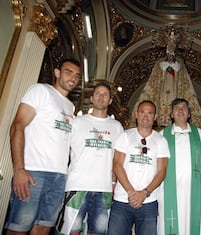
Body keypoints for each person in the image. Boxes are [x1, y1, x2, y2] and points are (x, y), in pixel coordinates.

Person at [5, 58, 81, 235]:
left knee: (44, 228)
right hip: (34, 172)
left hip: (60, 176)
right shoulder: (40, 90)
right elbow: (17, 126)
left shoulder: (70, 106)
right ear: (57, 72)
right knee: (18, 228)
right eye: (68, 72)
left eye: (77, 76)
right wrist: (19, 170)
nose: (73, 78)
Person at [56, 82, 124, 235]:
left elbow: (117, 159)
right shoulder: (77, 122)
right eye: (98, 94)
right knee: (72, 230)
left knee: (97, 231)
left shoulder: (117, 127)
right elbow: (65, 149)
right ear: (92, 98)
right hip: (77, 185)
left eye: (105, 94)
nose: (101, 97)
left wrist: (114, 183)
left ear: (110, 100)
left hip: (104, 187)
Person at [107, 100, 169, 235]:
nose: (145, 116)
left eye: (149, 113)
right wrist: (131, 192)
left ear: (155, 117)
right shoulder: (125, 136)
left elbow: (161, 171)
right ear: (136, 114)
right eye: (142, 112)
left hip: (149, 201)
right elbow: (117, 165)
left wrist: (144, 193)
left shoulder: (161, 141)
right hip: (123, 198)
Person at [158, 98, 201, 235]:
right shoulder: (162, 135)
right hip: (168, 191)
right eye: (176, 108)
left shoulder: (199, 134)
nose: (180, 110)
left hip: (195, 191)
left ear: (189, 114)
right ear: (171, 114)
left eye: (184, 108)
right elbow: (157, 168)